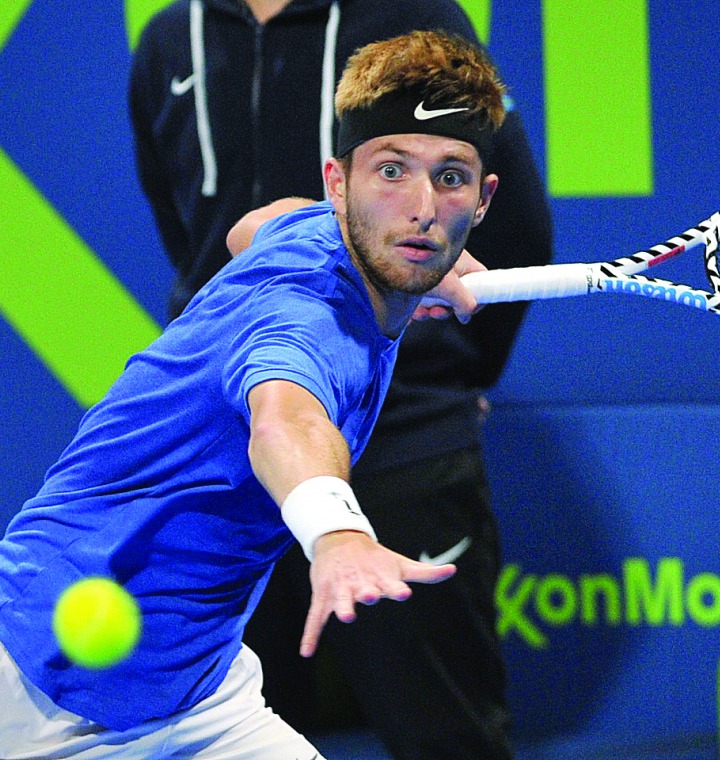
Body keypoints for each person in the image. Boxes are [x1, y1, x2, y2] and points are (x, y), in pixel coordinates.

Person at [0, 30, 505, 759]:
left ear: (483, 198)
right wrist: (338, 533)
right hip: (22, 692)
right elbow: (284, 418)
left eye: (449, 178)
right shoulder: (306, 322)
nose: (421, 208)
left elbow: (253, 228)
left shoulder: (315, 229)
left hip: (192, 690)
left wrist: (413, 261)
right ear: (338, 182)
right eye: (391, 171)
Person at [128, 2, 553, 758]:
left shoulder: (415, 18)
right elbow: (202, 235)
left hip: (403, 443)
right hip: (223, 460)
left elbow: (512, 225)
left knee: (446, 739)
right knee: (212, 741)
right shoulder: (166, 40)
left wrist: (428, 376)